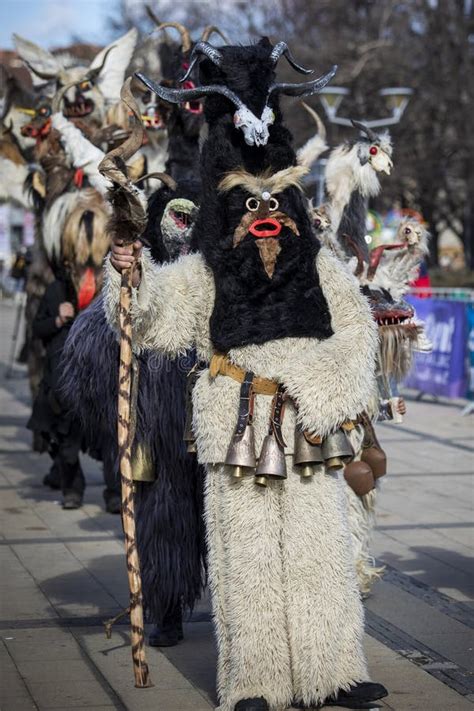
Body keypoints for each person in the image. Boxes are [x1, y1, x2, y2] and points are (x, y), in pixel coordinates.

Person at [104, 38, 388, 711]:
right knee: (249, 560)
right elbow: (156, 320)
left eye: (276, 207)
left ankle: (333, 673)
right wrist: (135, 274)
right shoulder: (204, 272)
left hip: (310, 427)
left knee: (320, 552)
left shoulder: (320, 269)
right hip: (237, 426)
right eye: (249, 208)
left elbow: (356, 334)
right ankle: (255, 683)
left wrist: (323, 394)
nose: (265, 221)